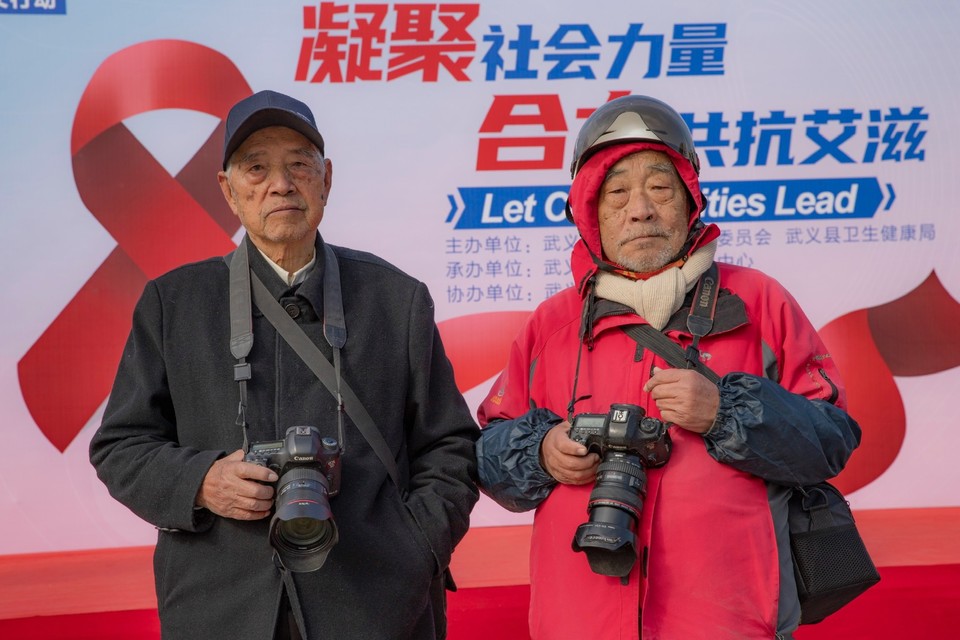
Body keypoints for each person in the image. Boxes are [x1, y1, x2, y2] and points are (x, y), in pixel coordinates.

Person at [89, 90, 479, 640]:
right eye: (256, 168)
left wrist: (416, 547)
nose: (281, 184)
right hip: (219, 608)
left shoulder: (397, 299)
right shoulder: (173, 303)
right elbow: (121, 446)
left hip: (376, 603)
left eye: (299, 164)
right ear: (228, 191)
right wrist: (202, 481)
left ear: (326, 179)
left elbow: (450, 445)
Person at [475, 95, 861, 639]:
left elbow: (832, 439)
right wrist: (541, 451)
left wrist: (726, 412)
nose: (640, 210)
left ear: (690, 199)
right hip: (579, 624)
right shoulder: (553, 325)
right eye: (616, 193)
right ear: (589, 212)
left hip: (730, 622)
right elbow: (486, 457)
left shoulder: (760, 303)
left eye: (660, 187)